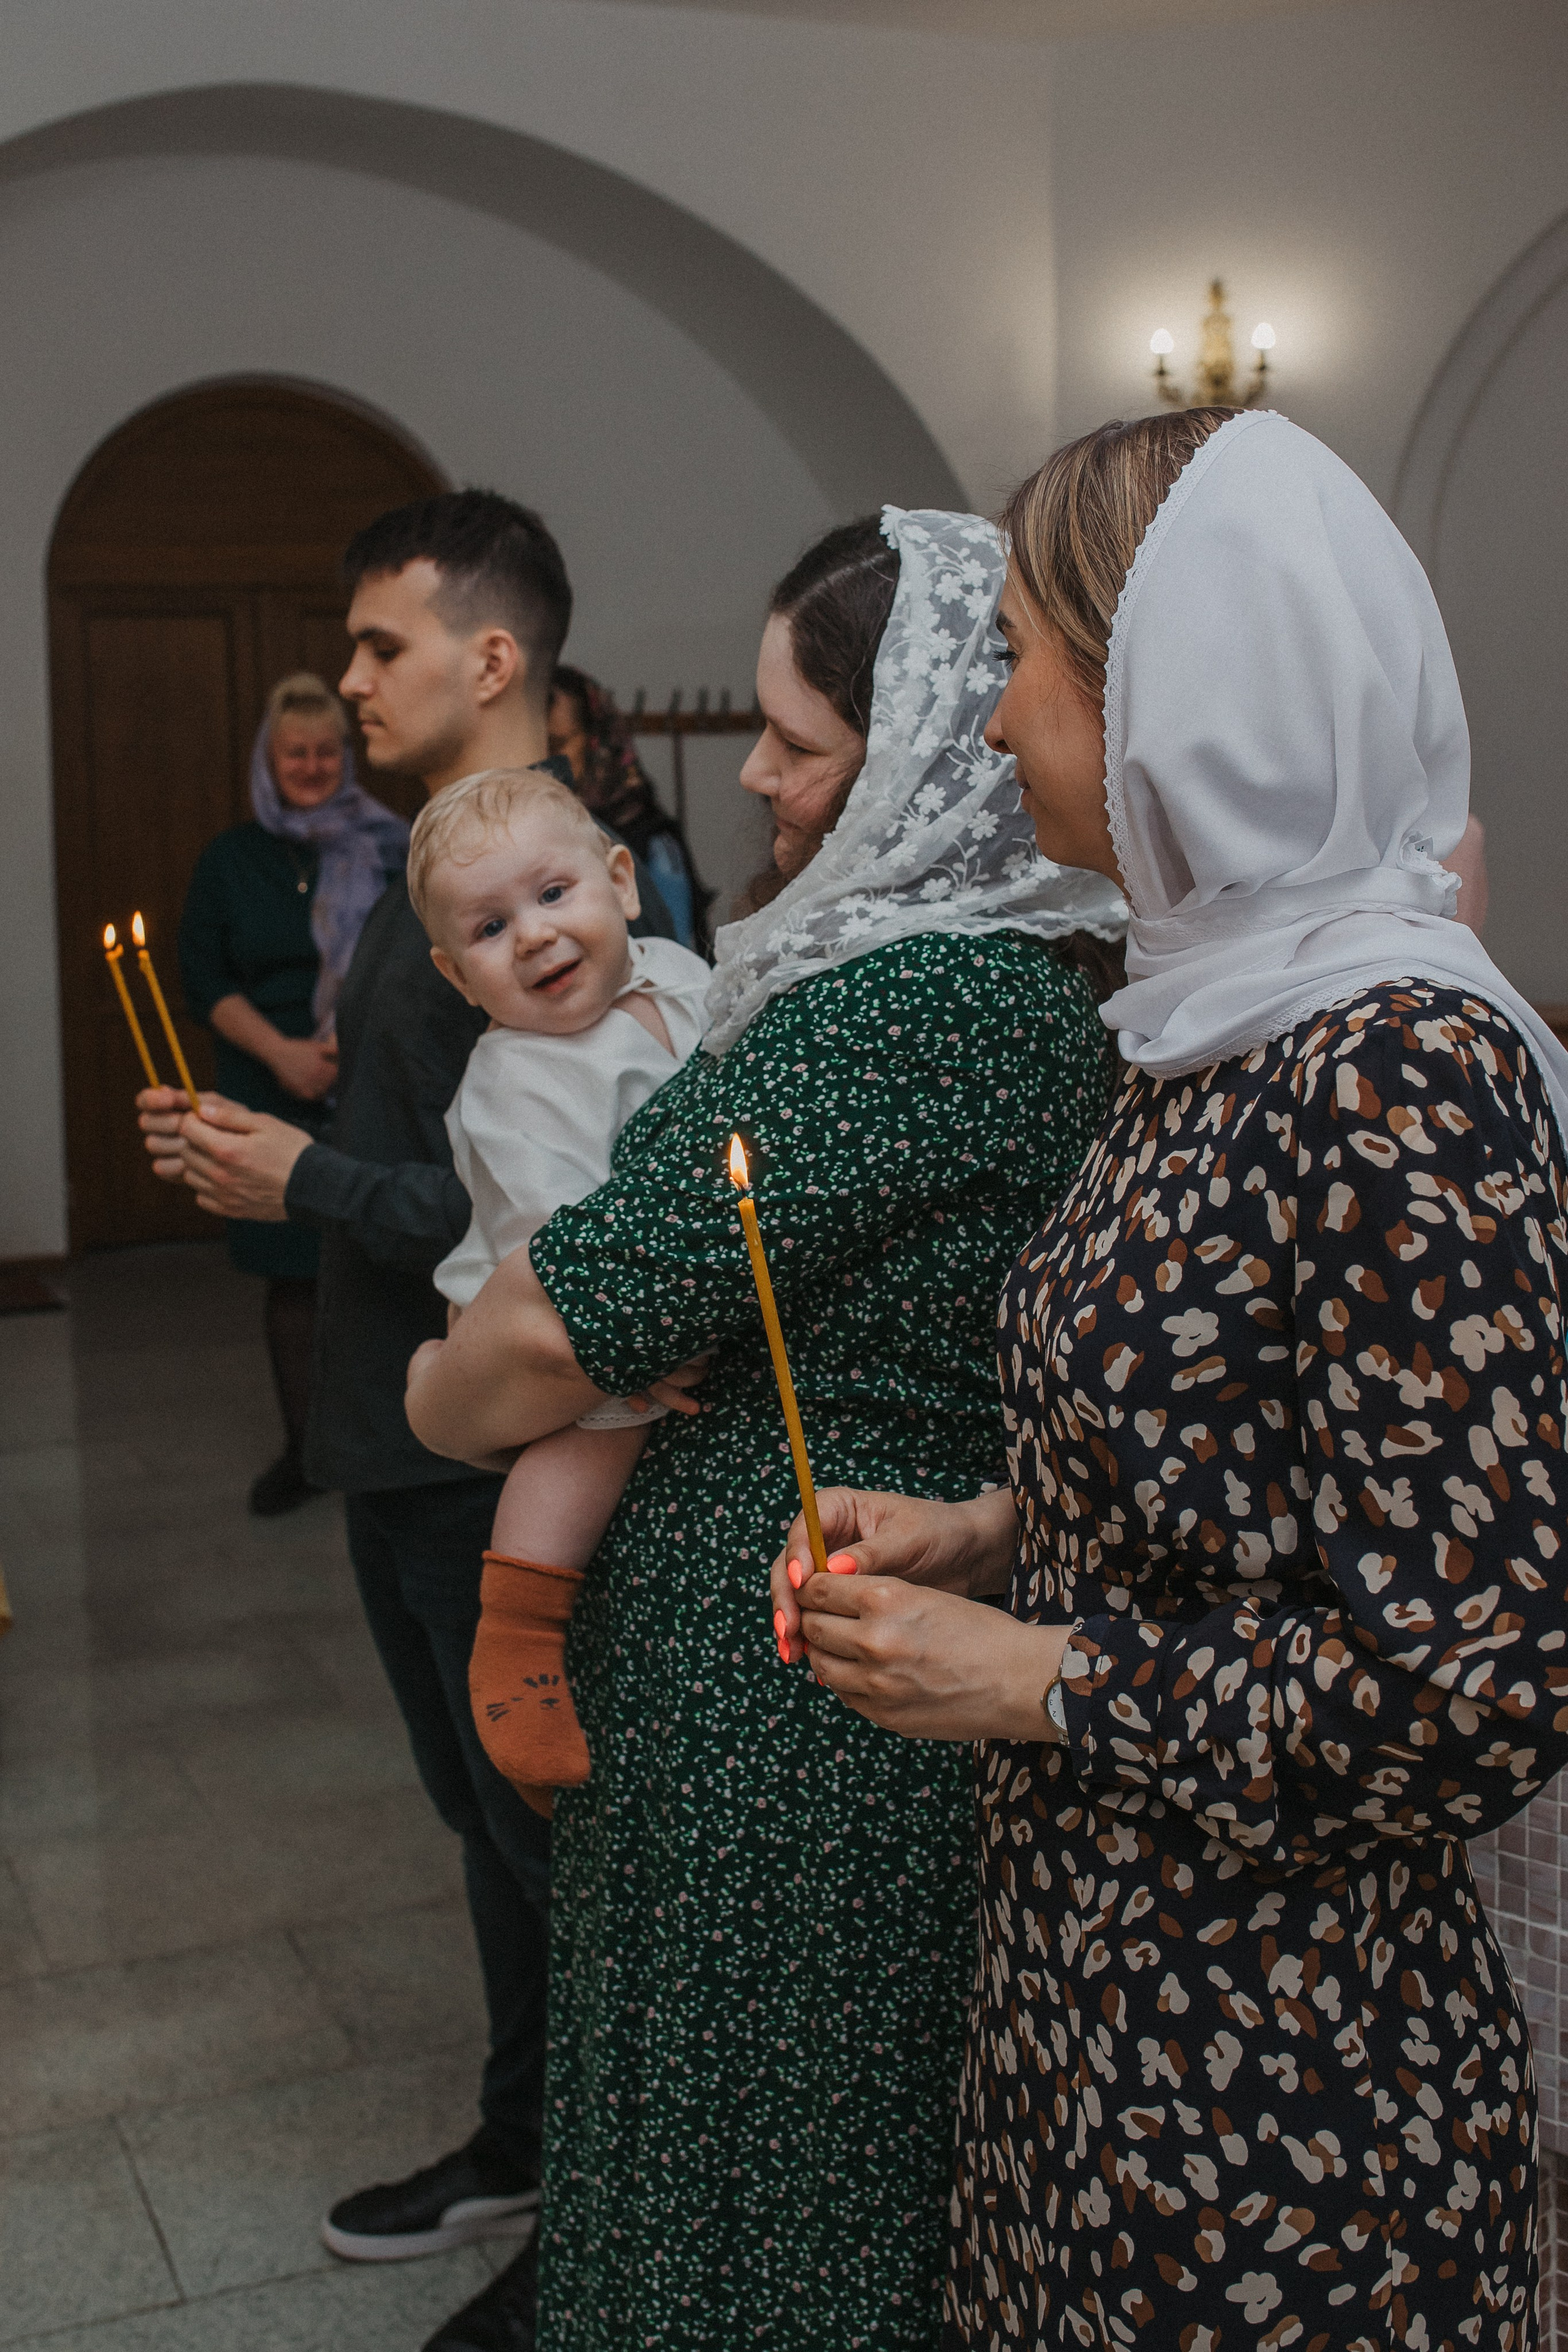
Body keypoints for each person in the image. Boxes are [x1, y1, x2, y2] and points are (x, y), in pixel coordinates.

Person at [774, 410, 1568, 2350]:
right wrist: (989, 1530)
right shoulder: (1211, 1011)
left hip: (1283, 2052)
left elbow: (1475, 1678)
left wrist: (1039, 1674)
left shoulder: (1395, 1065)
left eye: (1028, 663)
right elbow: (1244, 1469)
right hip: (1102, 1971)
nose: (985, 729)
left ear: (1170, 687)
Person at [404, 508, 1128, 2348]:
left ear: (929, 749)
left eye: (804, 743)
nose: (765, 780)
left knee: (754, 2182)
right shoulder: (1026, 969)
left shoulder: (905, 1005)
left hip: (782, 1720)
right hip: (816, 1675)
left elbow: (574, 1321)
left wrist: (429, 1382)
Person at [138, 491, 675, 2352]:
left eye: (379, 645)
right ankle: (524, 2141)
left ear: (490, 657)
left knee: (553, 1846)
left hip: (486, 1453)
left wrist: (307, 1181)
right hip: (394, 1433)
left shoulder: (568, 907)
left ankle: (603, 2227)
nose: (350, 678)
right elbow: (423, 1165)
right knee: (480, 1819)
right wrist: (277, 1163)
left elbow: (571, 1240)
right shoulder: (419, 868)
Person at [407, 767, 710, 1810]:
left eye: (552, 895)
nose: (533, 936)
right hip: (545, 1307)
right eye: (490, 928)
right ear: (458, 975)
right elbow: (557, 1251)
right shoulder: (514, 1077)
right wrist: (636, 1346)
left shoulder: (679, 973)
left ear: (622, 882)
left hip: (669, 1282)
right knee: (590, 1435)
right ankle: (519, 1633)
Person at [178, 672, 408, 1515]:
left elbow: (422, 961)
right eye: (294, 754)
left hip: (369, 1075)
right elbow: (203, 976)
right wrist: (282, 1053)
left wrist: (348, 1047)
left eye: (324, 751)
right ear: (268, 762)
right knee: (292, 1277)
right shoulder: (233, 858)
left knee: (372, 1263)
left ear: (344, 756)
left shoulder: (393, 843)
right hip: (266, 1077)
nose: (310, 767)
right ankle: (303, 1451)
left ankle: (376, 1436)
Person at [547, 662, 710, 951]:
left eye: (558, 743)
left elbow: (673, 958)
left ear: (596, 742)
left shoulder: (652, 847)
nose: (546, 756)